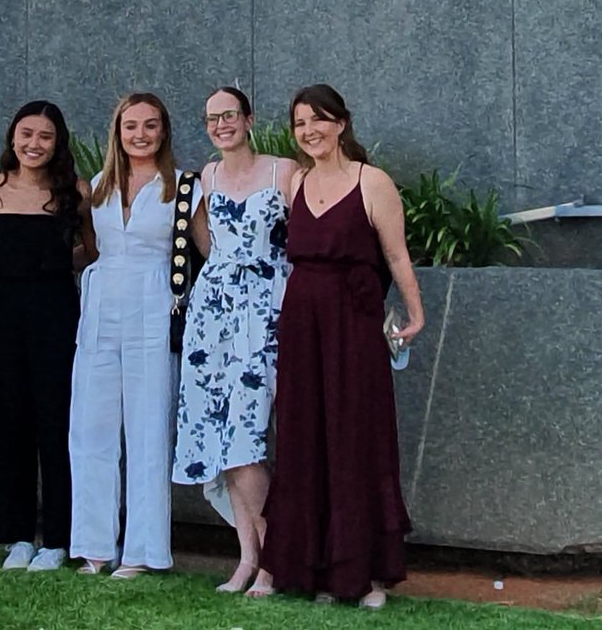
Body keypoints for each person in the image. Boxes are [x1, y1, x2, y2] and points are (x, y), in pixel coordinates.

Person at [258, 84, 424, 609]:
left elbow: (395, 256)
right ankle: (313, 570)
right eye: (300, 123)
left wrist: (415, 312)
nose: (310, 131)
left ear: (342, 123)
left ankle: (366, 575)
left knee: (356, 438)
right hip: (301, 326)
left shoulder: (372, 181)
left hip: (353, 324)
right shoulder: (296, 183)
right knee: (304, 438)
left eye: (319, 119)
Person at [69, 92, 204, 577]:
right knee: (90, 427)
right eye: (131, 126)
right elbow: (90, 249)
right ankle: (94, 546)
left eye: (150, 125)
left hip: (153, 304)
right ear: (118, 132)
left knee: (148, 429)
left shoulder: (183, 188)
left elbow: (209, 251)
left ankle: (143, 551)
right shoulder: (98, 187)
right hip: (101, 305)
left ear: (163, 131)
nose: (140, 134)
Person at [173, 86, 297, 595]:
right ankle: (249, 558)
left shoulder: (283, 171)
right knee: (222, 438)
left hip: (268, 312)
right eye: (211, 118)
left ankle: (277, 558)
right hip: (213, 318)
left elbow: (306, 237)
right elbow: (208, 245)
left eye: (229, 115)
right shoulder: (206, 177)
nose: (220, 125)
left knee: (247, 437)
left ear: (249, 119)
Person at [0, 101, 90, 571]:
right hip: (4, 310)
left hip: (56, 311)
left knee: (56, 422)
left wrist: (57, 262)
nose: (34, 144)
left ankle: (59, 538)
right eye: (26, 134)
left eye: (44, 136)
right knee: (7, 421)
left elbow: (91, 251)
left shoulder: (76, 192)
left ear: (57, 142)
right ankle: (17, 534)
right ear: (12, 136)